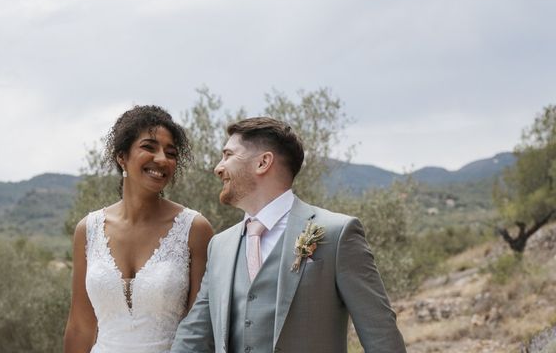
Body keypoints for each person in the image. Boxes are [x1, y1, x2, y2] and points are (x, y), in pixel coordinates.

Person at [171, 117, 407, 353]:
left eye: (228, 155)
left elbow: (380, 335)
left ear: (263, 162)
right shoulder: (219, 246)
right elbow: (194, 335)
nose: (218, 167)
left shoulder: (337, 233)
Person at [64, 105, 214, 353]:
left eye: (171, 152)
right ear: (121, 156)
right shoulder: (87, 230)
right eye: (149, 147)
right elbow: (80, 326)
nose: (162, 159)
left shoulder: (195, 229)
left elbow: (201, 329)